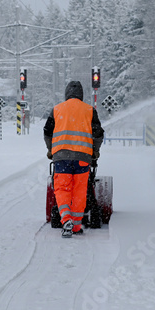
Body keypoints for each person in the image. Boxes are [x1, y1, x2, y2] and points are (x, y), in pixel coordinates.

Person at [44, 81, 104, 238]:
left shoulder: (57, 110)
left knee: (62, 188)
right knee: (80, 191)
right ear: (81, 95)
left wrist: (51, 150)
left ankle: (66, 220)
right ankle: (77, 226)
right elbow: (98, 134)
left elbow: (47, 132)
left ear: (66, 94)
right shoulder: (90, 110)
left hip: (61, 158)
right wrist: (95, 151)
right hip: (83, 159)